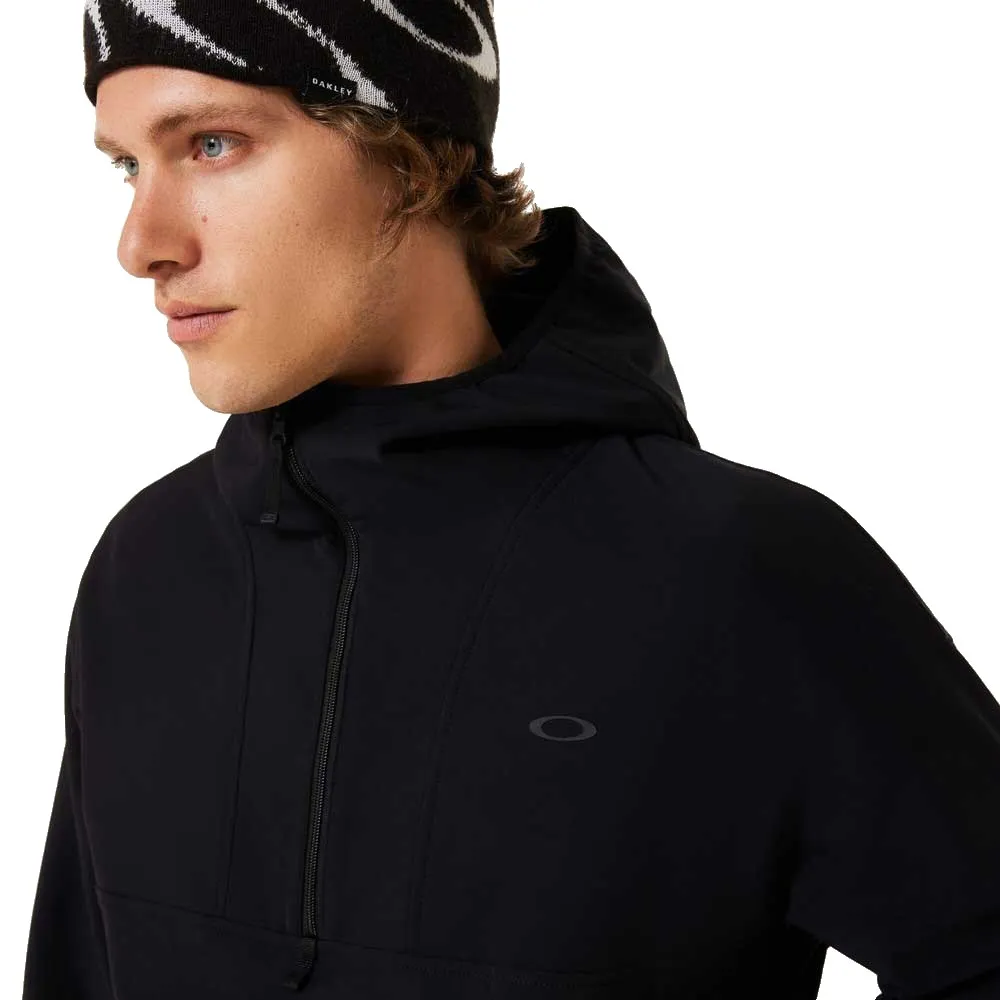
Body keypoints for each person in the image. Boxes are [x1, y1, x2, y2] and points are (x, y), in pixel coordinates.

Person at [22, 3, 1000, 998]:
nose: (141, 243)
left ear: (409, 152)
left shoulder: (732, 570)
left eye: (212, 145)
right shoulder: (150, 568)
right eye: (128, 165)